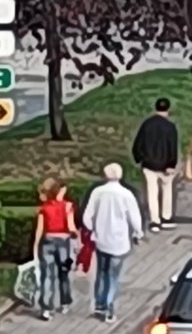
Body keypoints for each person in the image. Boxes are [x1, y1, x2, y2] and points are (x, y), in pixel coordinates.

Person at [81, 163, 143, 322]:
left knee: (101, 272)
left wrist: (92, 230)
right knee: (113, 276)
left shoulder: (98, 192)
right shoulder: (126, 194)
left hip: (101, 239)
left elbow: (87, 216)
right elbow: (134, 217)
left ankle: (99, 304)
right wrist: (138, 232)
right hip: (119, 241)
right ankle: (109, 307)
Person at [131, 97, 179, 233]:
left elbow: (137, 144)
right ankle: (166, 217)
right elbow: (173, 147)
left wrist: (139, 158)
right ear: (168, 109)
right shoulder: (170, 127)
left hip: (149, 164)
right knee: (167, 190)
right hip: (165, 165)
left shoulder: (147, 125)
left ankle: (155, 220)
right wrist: (172, 164)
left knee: (152, 192)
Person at [33, 178, 77, 320]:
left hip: (47, 241)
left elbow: (39, 230)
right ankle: (65, 303)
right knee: (64, 272)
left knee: (47, 275)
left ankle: (46, 309)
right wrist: (76, 238)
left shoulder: (43, 208)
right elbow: (71, 228)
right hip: (64, 242)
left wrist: (35, 246)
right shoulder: (68, 206)